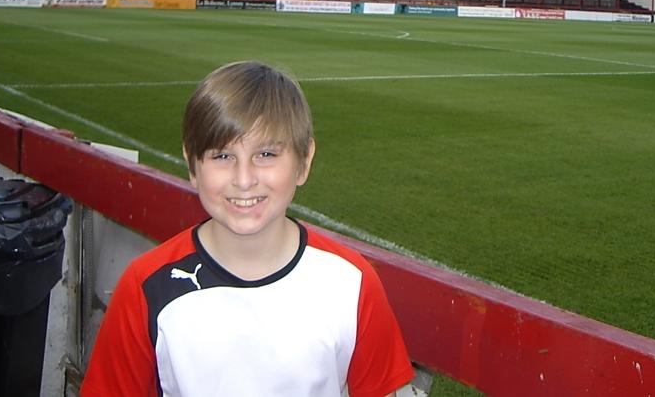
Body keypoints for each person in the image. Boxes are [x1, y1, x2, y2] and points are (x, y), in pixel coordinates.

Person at [81, 61, 414, 396]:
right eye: (222, 156)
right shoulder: (147, 287)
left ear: (304, 161)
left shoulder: (351, 283)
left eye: (266, 153)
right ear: (192, 164)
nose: (244, 179)